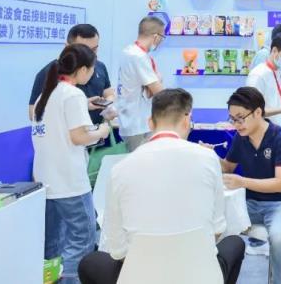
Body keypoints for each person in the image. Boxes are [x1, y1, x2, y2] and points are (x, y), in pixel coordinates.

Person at [78, 89, 245, 284]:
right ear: (187, 121)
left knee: (91, 262)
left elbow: (117, 250)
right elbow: (217, 229)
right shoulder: (209, 159)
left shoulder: (120, 169)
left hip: (141, 276)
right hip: (200, 275)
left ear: (150, 122)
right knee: (234, 243)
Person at [31, 44, 111, 284]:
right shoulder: (72, 95)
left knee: (53, 243)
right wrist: (102, 131)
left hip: (46, 180)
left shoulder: (46, 95)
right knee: (82, 238)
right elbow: (78, 137)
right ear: (83, 69)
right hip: (70, 182)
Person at [220, 87, 281, 284]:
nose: (236, 125)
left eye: (240, 118)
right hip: (248, 203)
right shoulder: (241, 138)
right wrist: (209, 155)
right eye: (232, 119)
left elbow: (279, 184)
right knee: (214, 224)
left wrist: (242, 182)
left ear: (257, 112)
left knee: (279, 238)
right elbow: (227, 167)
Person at [29, 24, 116, 124]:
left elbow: (109, 93)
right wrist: (81, 106)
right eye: (84, 50)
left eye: (94, 49)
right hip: (68, 133)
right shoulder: (48, 73)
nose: (90, 55)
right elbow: (33, 114)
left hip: (96, 131)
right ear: (67, 47)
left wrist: (108, 107)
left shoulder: (100, 66)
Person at [116, 16, 165, 151]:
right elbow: (157, 90)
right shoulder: (139, 57)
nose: (161, 41)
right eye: (162, 37)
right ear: (156, 37)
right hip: (137, 123)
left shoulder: (129, 51)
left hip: (131, 119)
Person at [246, 32, 281, 128]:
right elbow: (253, 112)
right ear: (274, 50)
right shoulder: (258, 75)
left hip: (280, 131)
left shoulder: (278, 72)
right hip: (265, 133)